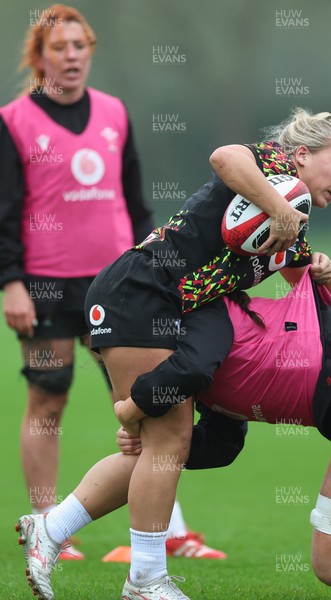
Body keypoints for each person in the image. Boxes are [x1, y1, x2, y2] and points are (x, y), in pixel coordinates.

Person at [16, 108, 331, 599]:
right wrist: (276, 206)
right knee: (167, 440)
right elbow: (224, 156)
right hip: (137, 294)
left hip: (181, 311)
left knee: (203, 445)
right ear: (301, 156)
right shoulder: (270, 171)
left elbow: (322, 302)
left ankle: (53, 527)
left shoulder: (292, 228)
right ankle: (146, 578)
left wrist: (325, 271)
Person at [17, 262, 331, 598]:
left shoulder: (197, 322)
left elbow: (192, 368)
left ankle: (61, 533)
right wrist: (158, 445)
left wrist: (135, 407)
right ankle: (53, 528)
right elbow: (222, 445)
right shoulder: (202, 360)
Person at [0, 3, 225, 564]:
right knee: (47, 400)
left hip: (121, 285)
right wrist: (10, 283)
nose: (72, 56)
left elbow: (137, 204)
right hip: (47, 284)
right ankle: (54, 530)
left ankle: (169, 533)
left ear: (90, 52)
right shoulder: (13, 121)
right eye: (60, 48)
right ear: (40, 57)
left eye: (80, 46)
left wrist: (162, 272)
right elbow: (4, 211)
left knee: (147, 406)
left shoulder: (115, 113)